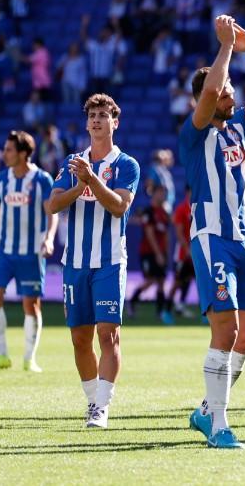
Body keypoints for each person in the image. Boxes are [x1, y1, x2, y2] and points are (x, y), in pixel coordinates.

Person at [180, 15, 245, 450]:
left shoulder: (242, 124)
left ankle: (206, 410)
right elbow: (209, 90)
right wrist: (224, 47)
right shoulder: (195, 130)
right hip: (212, 237)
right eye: (225, 89)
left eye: (229, 89)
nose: (230, 93)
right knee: (223, 331)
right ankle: (219, 426)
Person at [44, 94, 140, 429]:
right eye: (92, 116)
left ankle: (102, 406)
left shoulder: (126, 164)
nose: (97, 120)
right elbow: (52, 205)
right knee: (79, 338)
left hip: (110, 261)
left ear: (116, 122)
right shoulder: (74, 163)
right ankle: (92, 400)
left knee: (108, 334)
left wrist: (92, 180)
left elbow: (119, 206)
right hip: (76, 262)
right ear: (86, 124)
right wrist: (79, 185)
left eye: (104, 115)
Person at [0, 130, 57, 374]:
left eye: (9, 150)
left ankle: (29, 358)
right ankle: (1, 355)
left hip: (31, 252)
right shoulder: (3, 179)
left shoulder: (42, 180)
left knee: (31, 306)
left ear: (23, 153)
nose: (4, 154)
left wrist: (48, 239)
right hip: (4, 251)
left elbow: (51, 213)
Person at [129, 183, 174, 323]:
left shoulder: (164, 212)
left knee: (161, 281)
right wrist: (158, 254)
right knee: (150, 280)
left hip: (161, 252)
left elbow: (166, 233)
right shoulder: (149, 212)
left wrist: (165, 252)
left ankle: (160, 313)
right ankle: (131, 302)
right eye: (159, 192)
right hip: (148, 252)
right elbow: (149, 234)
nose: (162, 195)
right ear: (153, 194)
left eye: (163, 193)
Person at [169, 186, 196, 318]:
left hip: (195, 253)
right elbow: (179, 233)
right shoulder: (181, 209)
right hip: (182, 254)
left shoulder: (198, 208)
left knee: (190, 279)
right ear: (187, 192)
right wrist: (187, 249)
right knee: (177, 281)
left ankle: (181, 306)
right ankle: (166, 310)